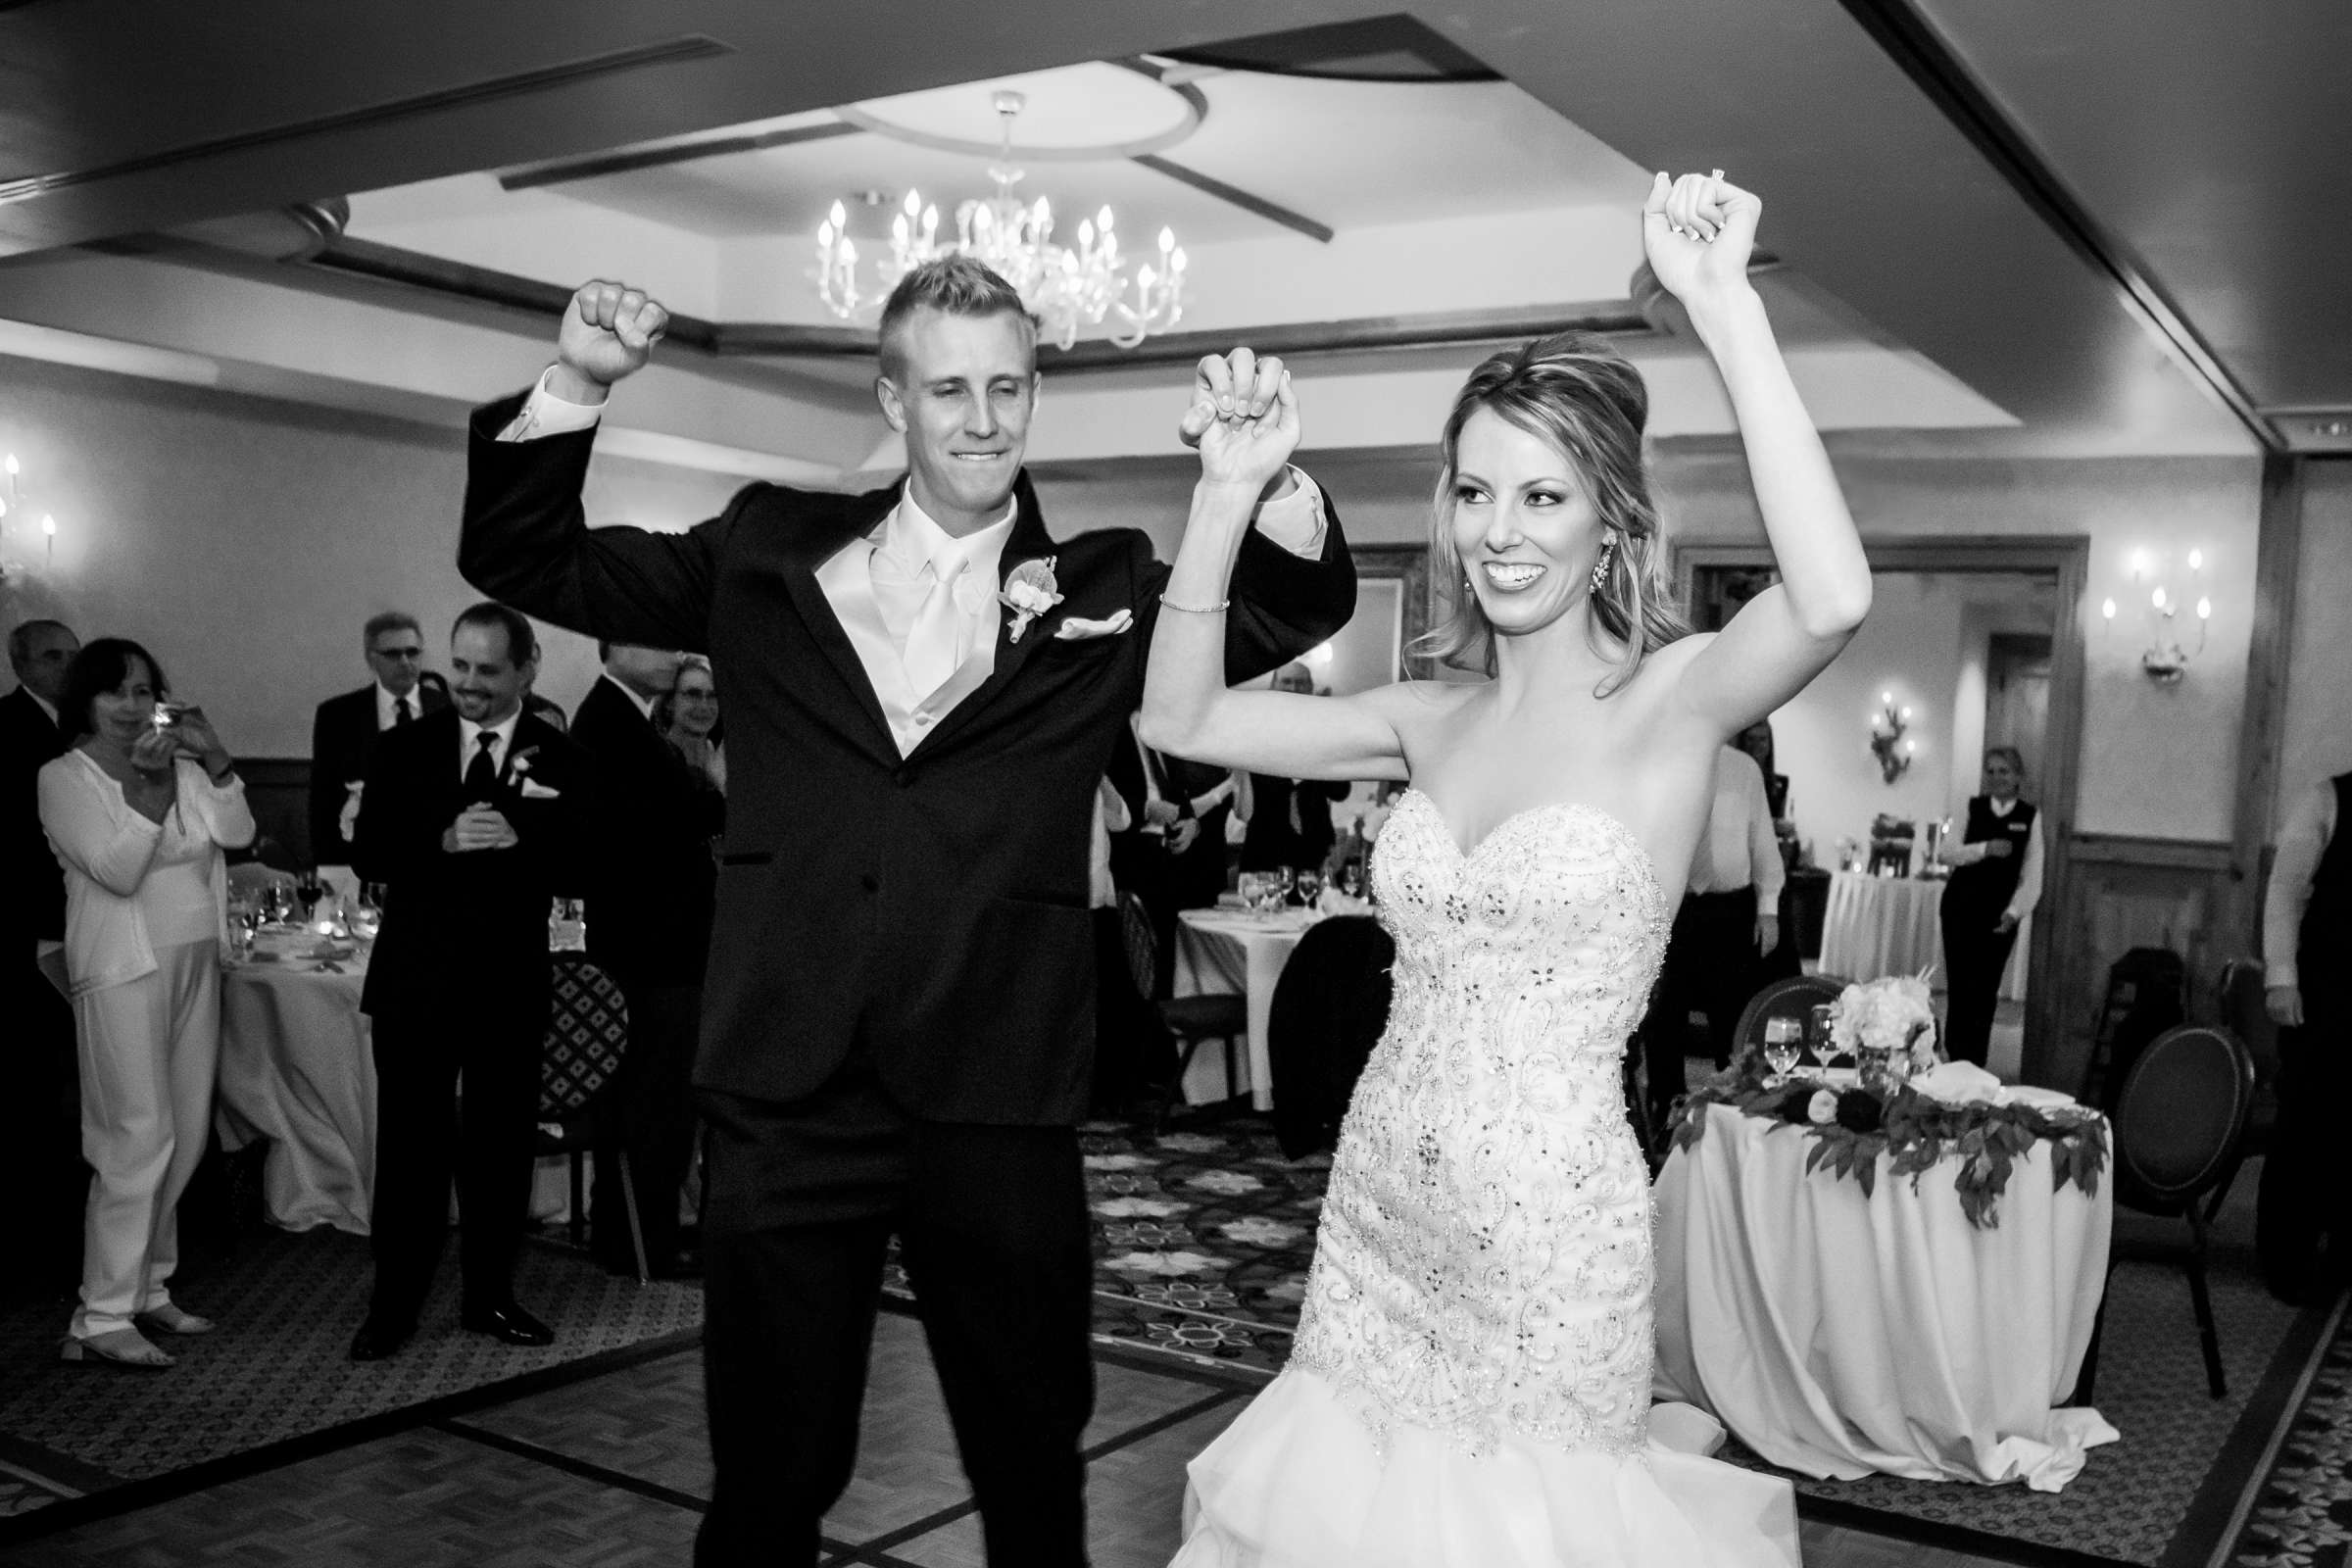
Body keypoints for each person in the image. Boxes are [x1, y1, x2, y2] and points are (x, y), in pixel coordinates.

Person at [455, 255, 1355, 1566]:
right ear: (895, 397)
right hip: (788, 1085)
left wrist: (1262, 479)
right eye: (950, 388)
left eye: (1009, 386)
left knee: (1031, 1459)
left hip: (1000, 1086)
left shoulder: (1106, 586)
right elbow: (521, 551)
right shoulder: (763, 552)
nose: (984, 418)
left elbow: (1288, 603)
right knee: (770, 1470)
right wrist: (579, 381)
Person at [1143, 171, 1867, 1565]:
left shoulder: (1672, 705)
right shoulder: (1428, 718)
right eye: (1475, 491)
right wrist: (1225, 495)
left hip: (1548, 1233)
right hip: (1375, 1210)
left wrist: (1723, 310)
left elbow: (1832, 596)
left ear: (1611, 522)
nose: (1500, 530)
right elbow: (1178, 720)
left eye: (1544, 495)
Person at [346, 604, 596, 1361]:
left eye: (488, 671)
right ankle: (393, 1307)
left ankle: (490, 1297)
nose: (469, 685)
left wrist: (528, 840)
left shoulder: (561, 756)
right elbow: (369, 854)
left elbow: (589, 864)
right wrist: (443, 840)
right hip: (415, 985)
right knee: (411, 1152)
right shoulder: (405, 748)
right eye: (460, 667)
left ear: (527, 669)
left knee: (498, 1153)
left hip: (508, 986)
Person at [39, 638, 254, 1368]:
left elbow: (238, 833)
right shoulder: (63, 777)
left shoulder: (184, 767)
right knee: (134, 1137)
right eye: (115, 693)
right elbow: (117, 869)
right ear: (86, 702)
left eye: (143, 691)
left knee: (186, 1134)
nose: (131, 707)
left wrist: (213, 757)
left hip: (197, 961)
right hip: (123, 969)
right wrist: (152, 793)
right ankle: (99, 1314)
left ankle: (147, 1287)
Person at [570, 642, 710, 1278]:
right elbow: (675, 817)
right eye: (657, 640)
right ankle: (640, 1242)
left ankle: (635, 1236)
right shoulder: (610, 720)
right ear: (617, 647)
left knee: (655, 1104)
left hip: (654, 948)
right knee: (654, 1103)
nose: (673, 652)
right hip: (648, 952)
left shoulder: (626, 718)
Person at [1636, 744, 1785, 1137]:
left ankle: (1731, 1118)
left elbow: (1762, 837)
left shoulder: (1744, 768)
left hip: (1729, 911)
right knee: (1664, 1018)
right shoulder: (1661, 759)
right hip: (1671, 905)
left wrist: (1768, 905)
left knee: (1731, 1019)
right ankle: (1667, 1112)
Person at [3, 617, 83, 1296]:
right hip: (31, 929)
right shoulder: (7, 728)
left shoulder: (81, 730)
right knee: (38, 1087)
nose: (69, 666)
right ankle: (39, 1237)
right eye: (56, 656)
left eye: (75, 656)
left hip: (83, 924)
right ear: (22, 663)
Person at [2258, 767, 2351, 1302]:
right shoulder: (2325, 798)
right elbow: (2286, 892)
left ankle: (2343, 1254)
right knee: (2306, 1126)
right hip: (2323, 993)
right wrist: (2280, 979)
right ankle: (2285, 1259)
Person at [309, 611, 447, 868]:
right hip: (360, 859)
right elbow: (323, 802)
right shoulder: (338, 716)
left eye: (413, 652)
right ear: (372, 658)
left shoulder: (447, 709)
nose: (405, 662)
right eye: (393, 654)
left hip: (434, 860)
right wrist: (331, 869)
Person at [1935, 746, 2041, 1067]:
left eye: (2004, 771)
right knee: (1960, 988)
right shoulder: (1971, 808)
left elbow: (2034, 872)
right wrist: (1983, 849)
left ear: (2018, 776)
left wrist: (2014, 913)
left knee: (1985, 991)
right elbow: (1946, 852)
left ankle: (1975, 1063)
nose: (1997, 777)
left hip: (1999, 916)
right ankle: (1954, 1058)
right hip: (1959, 909)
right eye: (1991, 771)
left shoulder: (2029, 816)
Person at [1239, 662, 1351, 876]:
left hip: (1314, 852)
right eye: (1286, 682)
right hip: (1265, 850)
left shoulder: (1324, 732)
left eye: (1300, 683)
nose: (1293, 688)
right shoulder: (1255, 728)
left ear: (1310, 688)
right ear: (1273, 687)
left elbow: (1340, 792)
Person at [661, 652, 728, 800]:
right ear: (669, 702)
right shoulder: (652, 761)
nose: (704, 706)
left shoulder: (728, 763)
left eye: (712, 696)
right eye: (693, 694)